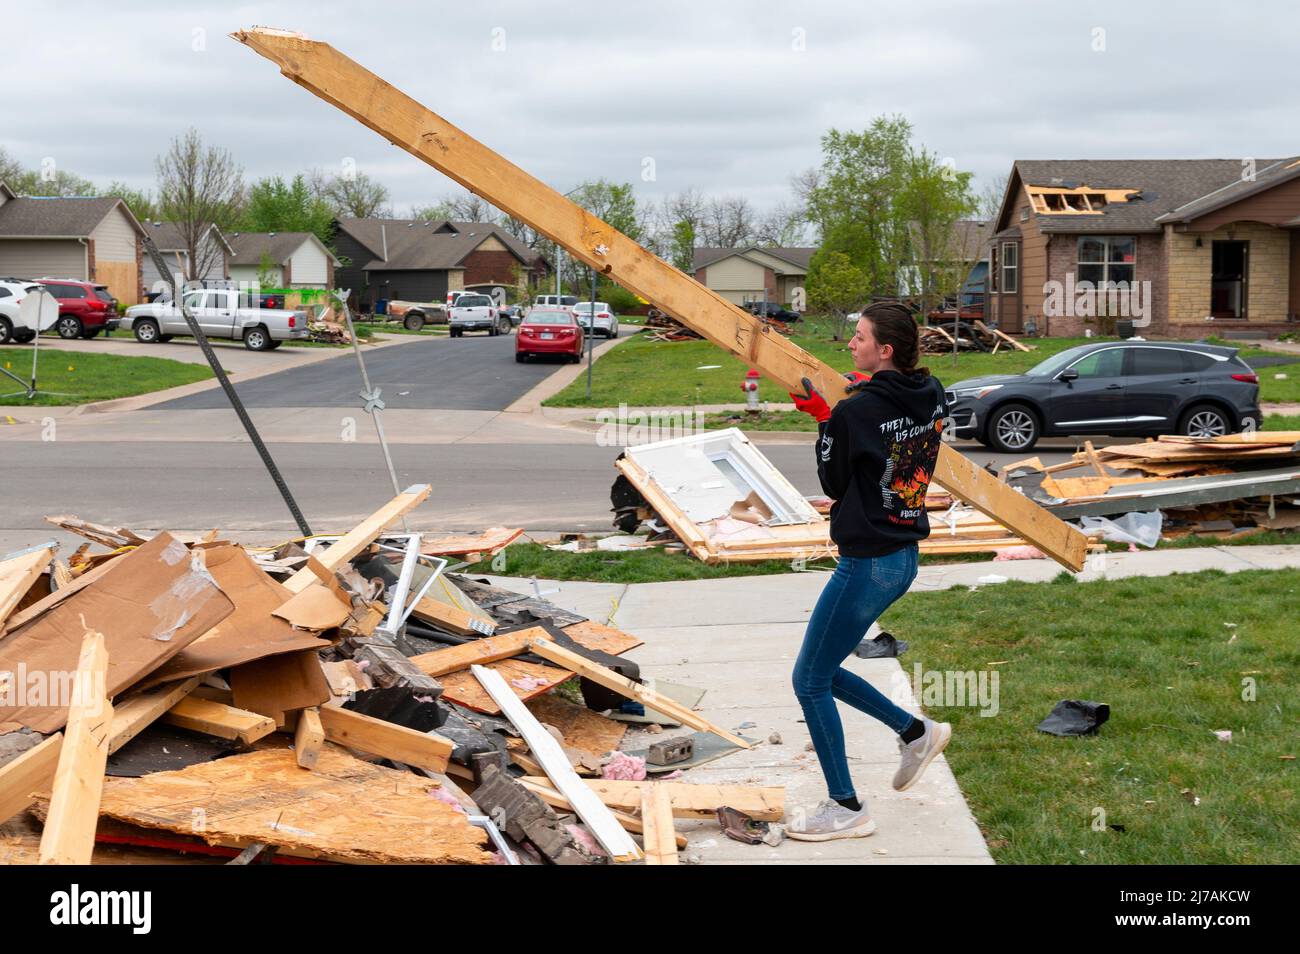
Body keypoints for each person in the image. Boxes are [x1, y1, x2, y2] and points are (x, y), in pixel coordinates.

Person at [785, 302, 952, 842]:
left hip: (867, 563)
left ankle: (846, 807)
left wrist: (824, 418)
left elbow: (833, 483)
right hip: (902, 557)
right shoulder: (930, 392)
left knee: (808, 680)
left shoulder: (855, 412)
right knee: (823, 669)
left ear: (884, 350)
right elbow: (890, 425)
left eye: (859, 338)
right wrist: (854, 401)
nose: (850, 344)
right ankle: (914, 732)